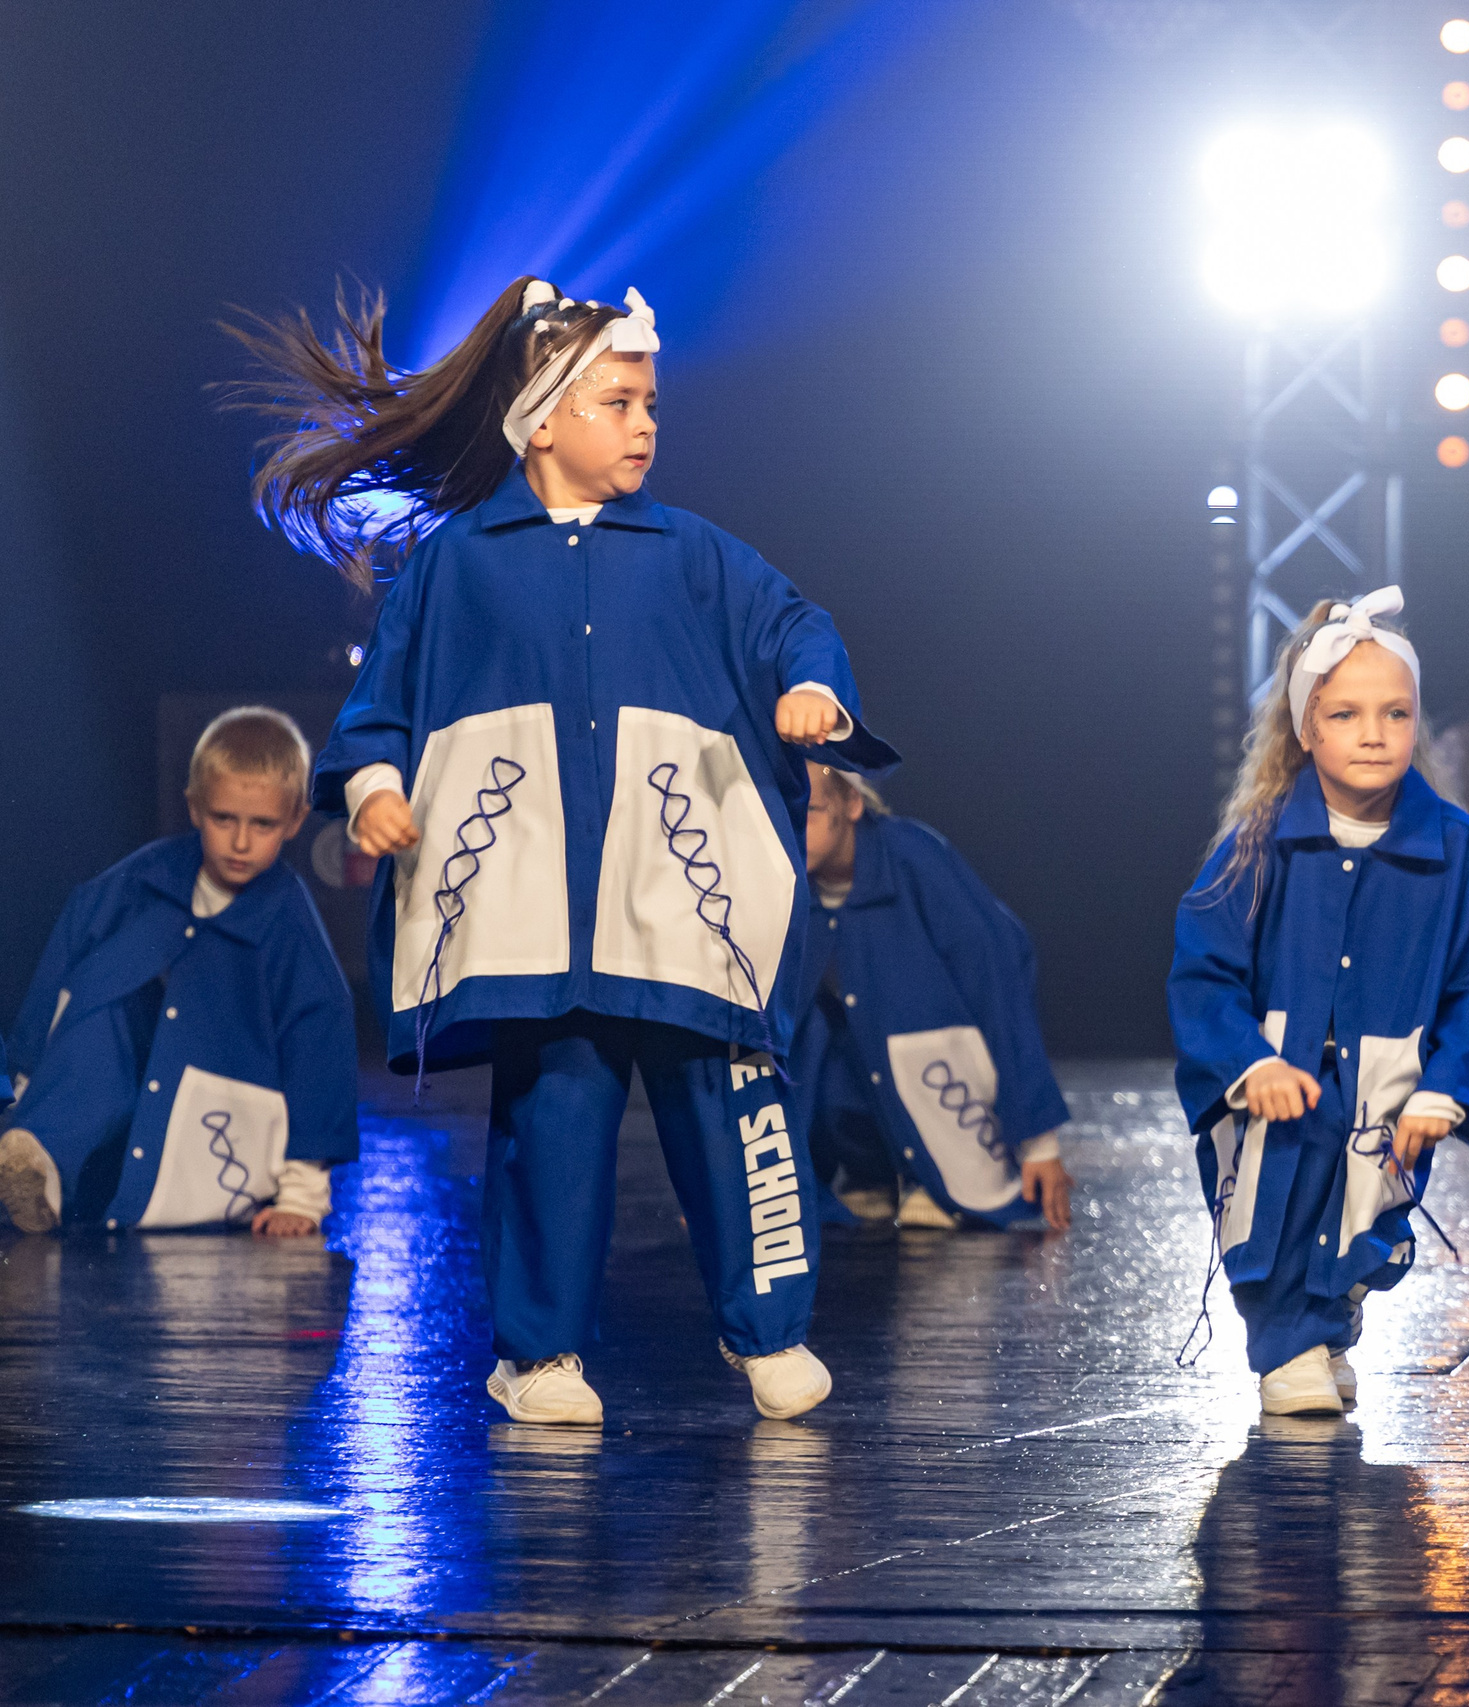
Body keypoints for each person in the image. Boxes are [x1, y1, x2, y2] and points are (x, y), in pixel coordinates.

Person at [227, 277, 896, 1425]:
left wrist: (812, 689)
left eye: (650, 404)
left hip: (684, 905)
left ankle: (768, 1331)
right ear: (543, 419)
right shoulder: (458, 565)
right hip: (537, 909)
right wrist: (378, 788)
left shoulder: (693, 554)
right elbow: (380, 708)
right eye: (619, 402)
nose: (646, 425)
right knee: (555, 1123)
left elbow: (798, 622)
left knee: (731, 1111)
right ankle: (539, 1356)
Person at [1170, 589, 1469, 1416]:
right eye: (1345, 713)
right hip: (1277, 1074)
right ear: (1306, 730)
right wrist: (1245, 1060)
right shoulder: (1258, 843)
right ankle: (1286, 1345)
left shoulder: (1452, 845)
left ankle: (1326, 1319)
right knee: (1274, 1206)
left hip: (1386, 1073)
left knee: (1362, 1216)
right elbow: (1204, 969)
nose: (1373, 732)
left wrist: (1453, 1085)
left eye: (1395, 712)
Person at [0, 708, 358, 1236]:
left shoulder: (289, 927)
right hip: (115, 1119)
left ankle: (45, 1158)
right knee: (104, 1014)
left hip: (215, 1140)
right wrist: (20, 1088)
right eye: (224, 819)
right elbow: (59, 980)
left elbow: (317, 1051)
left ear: (296, 821)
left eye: (262, 825)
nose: (240, 842)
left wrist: (303, 1197)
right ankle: (40, 1156)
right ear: (194, 808)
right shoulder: (130, 888)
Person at [786, 763, 1074, 1233]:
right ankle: (871, 1170)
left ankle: (926, 1177)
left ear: (852, 804)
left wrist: (1039, 1144)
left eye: (812, 812)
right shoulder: (788, 884)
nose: (795, 830)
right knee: (810, 1027)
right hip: (861, 1097)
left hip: (941, 1069)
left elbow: (997, 976)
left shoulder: (914, 859)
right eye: (787, 811)